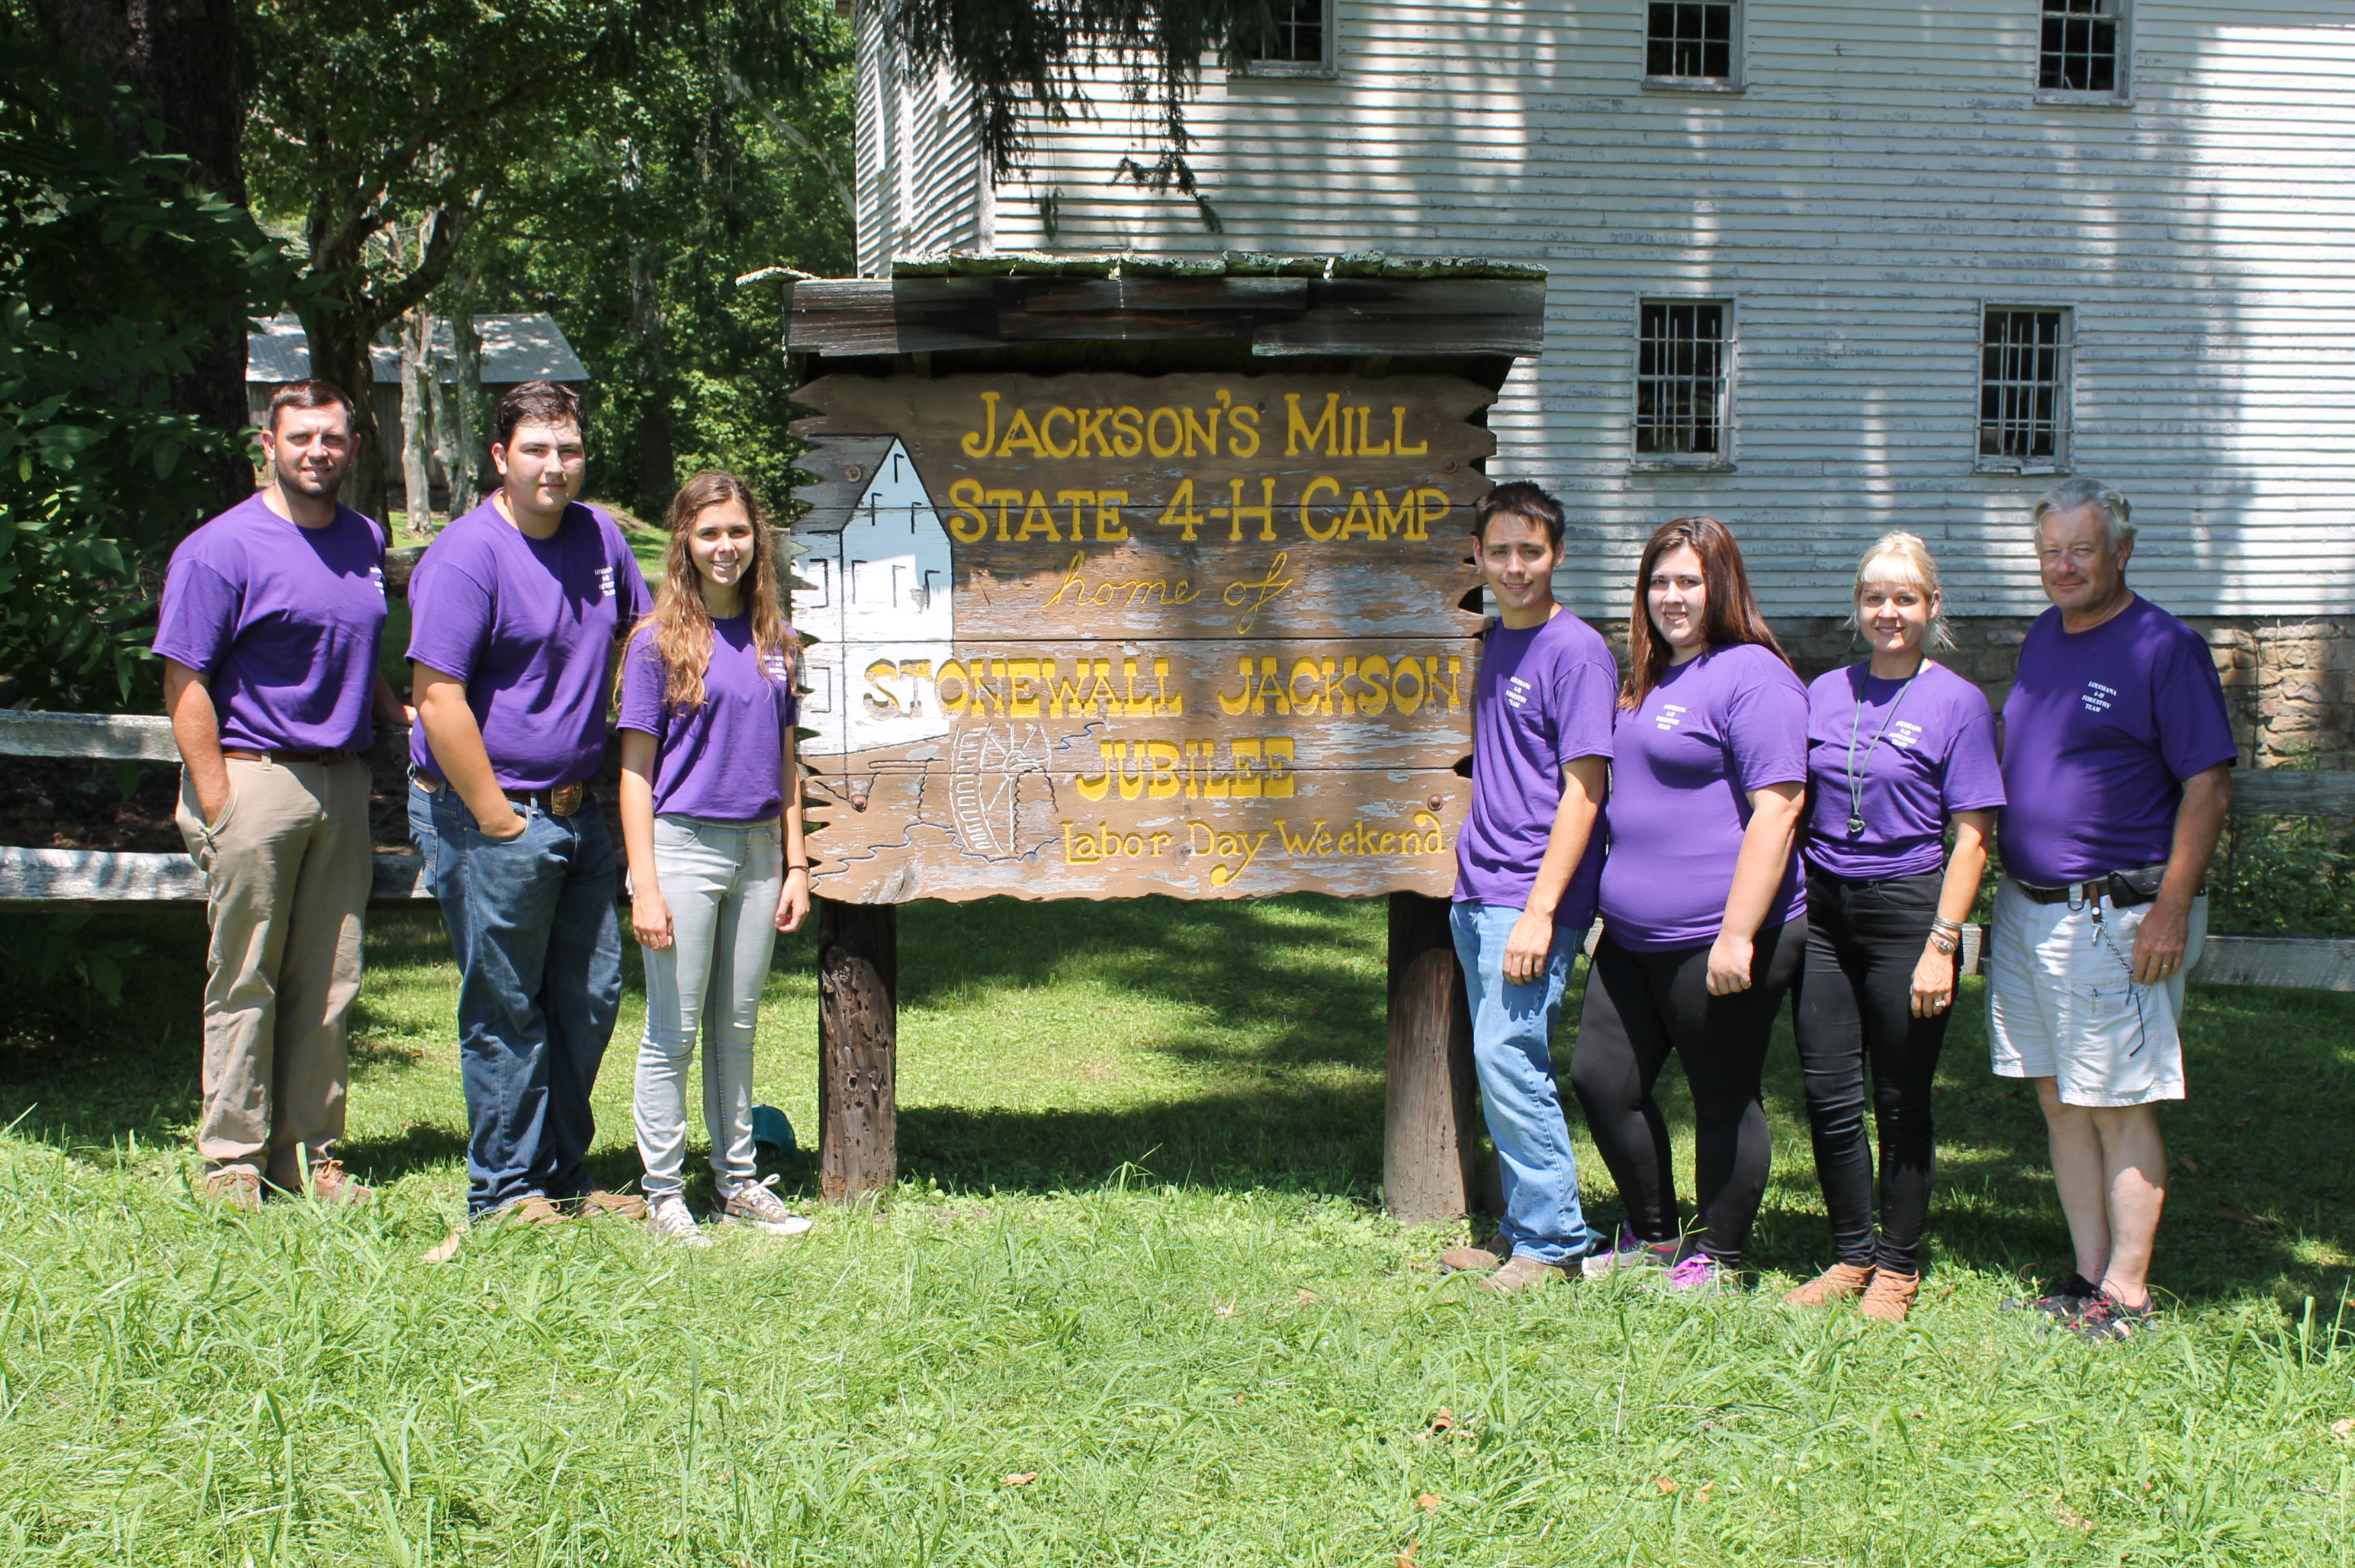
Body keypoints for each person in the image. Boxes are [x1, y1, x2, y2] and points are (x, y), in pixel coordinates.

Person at [153, 378, 410, 1210]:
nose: (316, 451)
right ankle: (232, 1157)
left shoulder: (364, 539)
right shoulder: (221, 548)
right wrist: (219, 797)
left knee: (330, 978)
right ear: (268, 443)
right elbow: (184, 678)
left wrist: (389, 714)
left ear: (352, 449)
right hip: (255, 775)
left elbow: (354, 645)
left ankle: (310, 1154)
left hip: (341, 781)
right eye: (300, 437)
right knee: (247, 974)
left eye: (332, 438)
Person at [1988, 478, 2234, 1341]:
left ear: (2120, 552)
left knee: (2120, 1101)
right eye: (2050, 551)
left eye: (2080, 550)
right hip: (2031, 908)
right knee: (2061, 1099)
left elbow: (2206, 783)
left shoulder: (2162, 647)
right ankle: (2086, 1275)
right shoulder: (2045, 637)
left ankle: (2126, 1294)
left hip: (2115, 912)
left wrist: (2172, 906)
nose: (2062, 566)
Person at [406, 381, 654, 1226]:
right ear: (500, 458)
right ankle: (505, 1191)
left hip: (584, 812)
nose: (555, 466)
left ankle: (561, 1175)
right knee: (506, 1004)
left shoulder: (599, 538)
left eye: (569, 449)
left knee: (586, 1000)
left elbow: (646, 639)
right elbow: (437, 698)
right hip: (495, 812)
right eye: (537, 450)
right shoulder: (466, 555)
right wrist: (496, 817)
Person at [1571, 516, 1809, 1295]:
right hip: (1632, 936)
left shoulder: (1754, 676)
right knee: (1602, 1078)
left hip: (1717, 934)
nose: (1671, 597)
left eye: (1688, 581)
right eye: (1659, 581)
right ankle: (1655, 1233)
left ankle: (1721, 1255)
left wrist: (1737, 934)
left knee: (1721, 1094)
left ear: (1721, 587)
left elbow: (1778, 808)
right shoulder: (1644, 676)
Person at [1784, 533, 2004, 1322]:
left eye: (1905, 598)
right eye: (1874, 597)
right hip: (1824, 912)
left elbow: (1973, 834)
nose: (1888, 612)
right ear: (1857, 607)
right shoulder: (1823, 692)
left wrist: (1942, 945)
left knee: (1902, 1099)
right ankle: (1851, 1253)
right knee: (1826, 1091)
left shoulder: (1957, 703)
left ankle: (1898, 1266)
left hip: (1908, 911)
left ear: (1931, 607)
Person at [617, 472, 814, 1247]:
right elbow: (635, 771)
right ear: (685, 544)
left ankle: (736, 1182)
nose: (725, 547)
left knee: (736, 1027)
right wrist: (645, 884)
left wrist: (796, 863)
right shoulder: (656, 640)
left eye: (736, 532)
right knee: (674, 1028)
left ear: (755, 538)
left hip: (760, 849)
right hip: (683, 845)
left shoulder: (778, 642)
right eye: (709, 534)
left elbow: (787, 757)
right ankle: (664, 1191)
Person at [1434, 481, 1616, 1294]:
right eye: (1499, 551)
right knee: (1498, 1059)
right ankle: (1519, 1226)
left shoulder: (1574, 650)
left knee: (1509, 1057)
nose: (1514, 567)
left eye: (1530, 551)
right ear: (1478, 555)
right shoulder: (1497, 639)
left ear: (1558, 555)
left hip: (1530, 893)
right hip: (1481, 883)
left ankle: (1553, 1242)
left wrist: (1542, 911)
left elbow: (1585, 790)